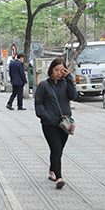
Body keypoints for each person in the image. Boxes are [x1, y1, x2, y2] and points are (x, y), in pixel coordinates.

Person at [34, 58, 77, 189]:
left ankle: (52, 170)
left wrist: (69, 77)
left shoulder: (65, 84)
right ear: (51, 70)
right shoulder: (44, 85)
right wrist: (45, 116)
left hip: (64, 123)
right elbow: (38, 103)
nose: (58, 73)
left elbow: (74, 95)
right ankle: (59, 177)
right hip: (50, 124)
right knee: (56, 148)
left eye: (61, 70)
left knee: (59, 149)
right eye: (56, 70)